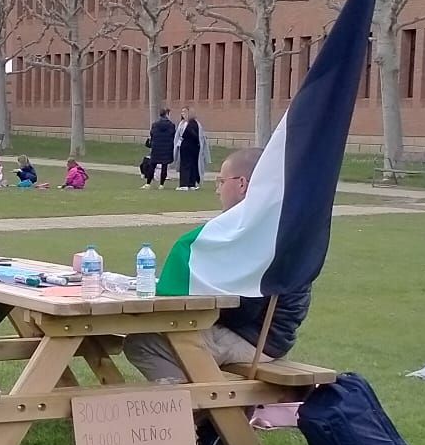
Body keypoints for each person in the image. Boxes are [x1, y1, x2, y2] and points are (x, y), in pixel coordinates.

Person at [125, 147, 309, 386]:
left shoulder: (257, 232)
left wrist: (197, 301)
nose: (217, 190)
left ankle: (190, 401)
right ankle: (193, 396)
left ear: (242, 184)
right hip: (264, 333)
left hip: (258, 338)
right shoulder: (271, 223)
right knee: (163, 331)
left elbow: (246, 308)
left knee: (144, 341)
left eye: (221, 181)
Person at [143, 108, 176, 188]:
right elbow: (173, 136)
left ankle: (148, 183)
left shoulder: (155, 125)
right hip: (167, 148)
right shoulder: (171, 125)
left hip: (156, 148)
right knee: (164, 166)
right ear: (167, 115)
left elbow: (152, 134)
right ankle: (161, 184)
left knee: (152, 165)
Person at [176, 114, 206, 190]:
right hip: (194, 147)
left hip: (187, 147)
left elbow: (184, 135)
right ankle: (191, 184)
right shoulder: (195, 124)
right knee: (192, 165)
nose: (183, 114)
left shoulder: (189, 124)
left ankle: (184, 184)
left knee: (186, 165)